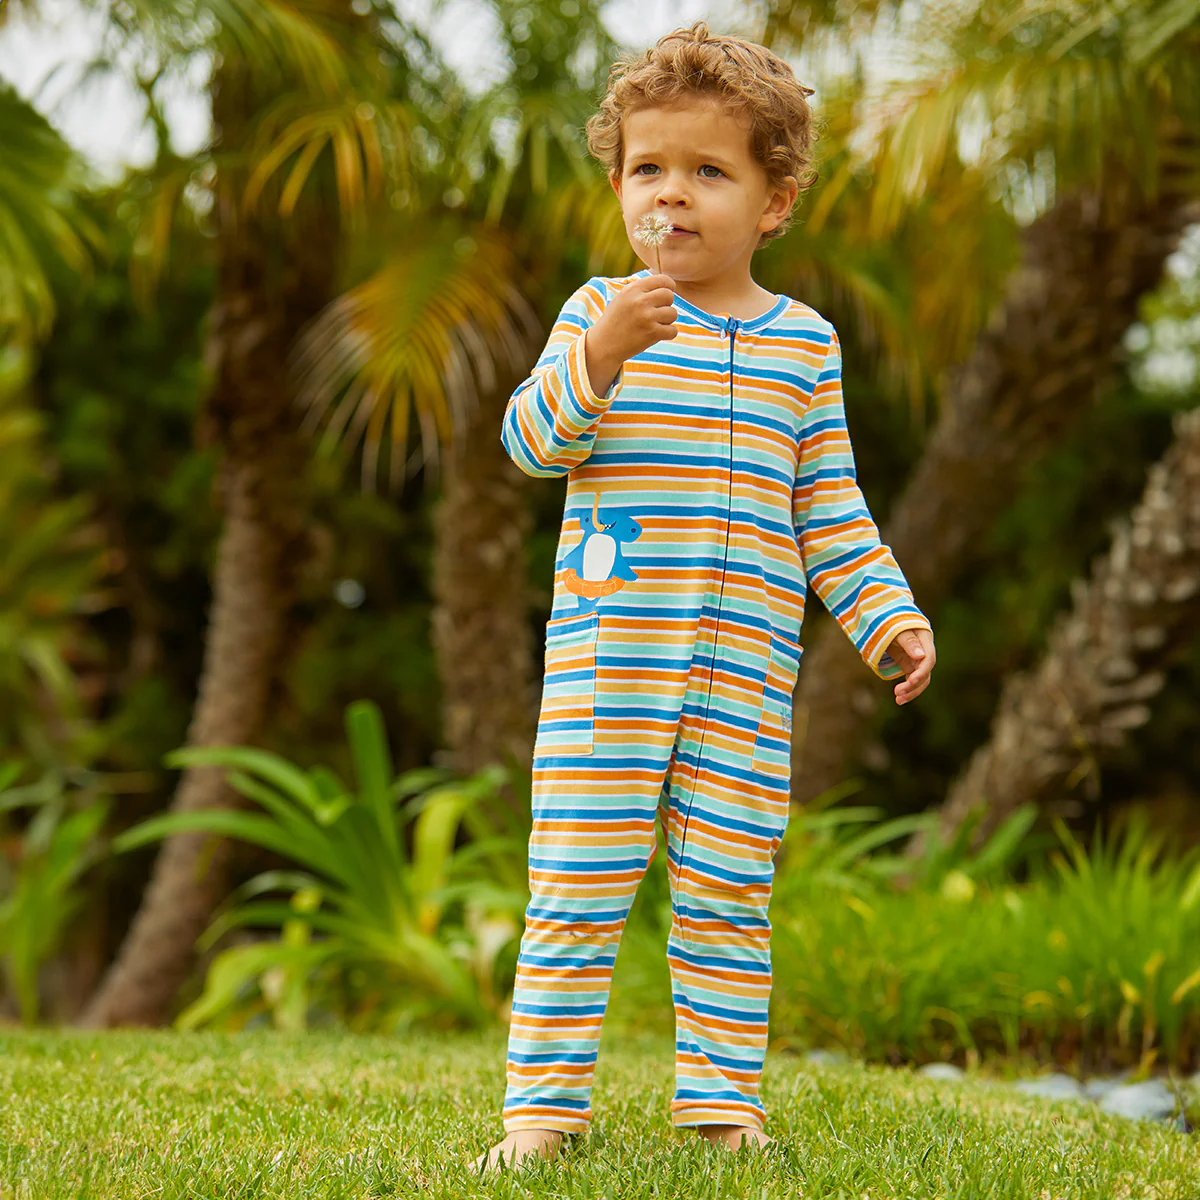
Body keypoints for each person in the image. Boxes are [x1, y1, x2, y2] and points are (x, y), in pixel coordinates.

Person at [471, 19, 936, 1175]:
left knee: (731, 891)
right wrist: (600, 359)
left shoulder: (805, 348)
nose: (670, 194)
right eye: (648, 168)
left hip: (744, 680)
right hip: (608, 672)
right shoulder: (598, 313)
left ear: (774, 202)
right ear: (618, 186)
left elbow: (831, 509)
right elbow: (528, 441)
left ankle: (723, 1112)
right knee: (576, 886)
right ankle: (541, 1120)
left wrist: (887, 615)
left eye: (707, 172)